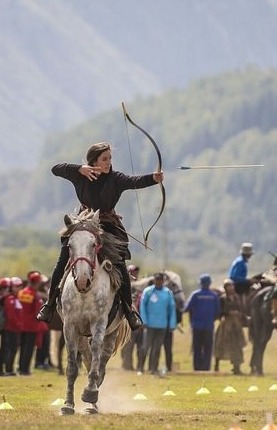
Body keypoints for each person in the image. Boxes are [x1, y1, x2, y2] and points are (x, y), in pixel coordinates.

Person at [37, 142, 164, 332]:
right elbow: (56, 169)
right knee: (63, 259)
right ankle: (50, 304)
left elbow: (134, 181)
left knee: (120, 264)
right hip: (84, 222)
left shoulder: (116, 178)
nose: (108, 162)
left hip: (108, 226)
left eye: (110, 158)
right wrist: (79, 169)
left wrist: (154, 178)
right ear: (93, 160)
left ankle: (129, 311)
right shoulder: (80, 175)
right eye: (104, 159)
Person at [139, 272, 177, 374]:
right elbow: (143, 307)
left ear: (163, 281)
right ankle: (141, 368)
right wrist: (144, 321)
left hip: (162, 325)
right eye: (157, 280)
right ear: (154, 280)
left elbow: (171, 309)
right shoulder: (148, 291)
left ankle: (153, 368)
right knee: (146, 347)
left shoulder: (168, 293)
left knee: (157, 348)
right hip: (150, 324)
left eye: (160, 280)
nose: (158, 282)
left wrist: (172, 324)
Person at [184, 274, 220, 371]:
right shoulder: (214, 296)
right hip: (209, 326)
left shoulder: (195, 295)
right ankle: (206, 367)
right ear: (209, 283)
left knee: (197, 347)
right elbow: (218, 312)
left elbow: (186, 308)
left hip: (196, 326)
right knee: (208, 348)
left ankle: (197, 367)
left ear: (200, 283)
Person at [214, 279, 247, 375]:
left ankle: (237, 367)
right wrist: (228, 313)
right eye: (228, 286)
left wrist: (240, 315)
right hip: (226, 323)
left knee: (237, 345)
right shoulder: (222, 298)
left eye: (232, 286)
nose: (231, 288)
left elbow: (241, 309)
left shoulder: (237, 297)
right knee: (221, 343)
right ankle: (216, 365)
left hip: (236, 323)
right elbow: (219, 311)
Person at [18, 271, 46, 375]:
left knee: (22, 348)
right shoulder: (35, 295)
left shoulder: (21, 292)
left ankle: (20, 367)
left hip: (21, 325)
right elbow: (37, 312)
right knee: (29, 349)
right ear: (37, 282)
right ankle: (25, 370)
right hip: (32, 326)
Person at [122, 265, 146, 372]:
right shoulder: (124, 286)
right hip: (127, 322)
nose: (134, 275)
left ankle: (139, 366)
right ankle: (127, 365)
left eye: (136, 272)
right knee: (128, 346)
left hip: (139, 320)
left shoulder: (141, 288)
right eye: (132, 272)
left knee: (140, 346)